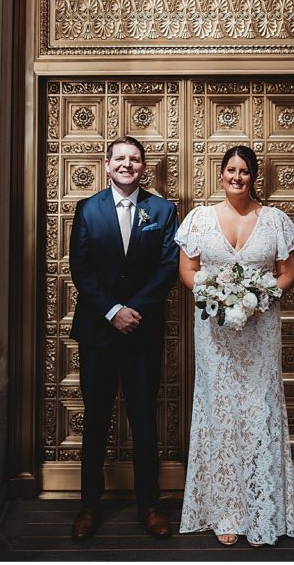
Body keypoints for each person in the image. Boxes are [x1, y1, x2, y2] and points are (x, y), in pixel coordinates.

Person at [175, 146, 294, 546]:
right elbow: (188, 270)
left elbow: (287, 272)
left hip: (260, 329)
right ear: (220, 175)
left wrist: (258, 297)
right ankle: (225, 512)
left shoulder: (274, 220)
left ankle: (263, 509)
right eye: (230, 170)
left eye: (244, 172)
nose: (237, 177)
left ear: (254, 177)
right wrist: (217, 298)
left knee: (258, 410)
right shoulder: (200, 218)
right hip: (215, 332)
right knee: (219, 412)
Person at [68, 136, 179, 542]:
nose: (126, 165)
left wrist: (135, 310)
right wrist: (113, 311)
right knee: (96, 420)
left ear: (143, 166)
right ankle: (89, 505)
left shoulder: (163, 210)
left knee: (143, 419)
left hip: (142, 332)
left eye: (134, 159)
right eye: (120, 158)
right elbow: (80, 268)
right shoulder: (87, 209)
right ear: (107, 163)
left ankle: (149, 504)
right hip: (98, 332)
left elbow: (169, 266)